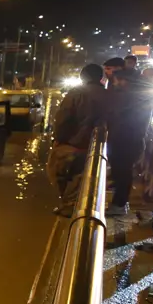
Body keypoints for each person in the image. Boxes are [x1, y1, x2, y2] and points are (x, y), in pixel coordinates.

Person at [47, 64, 108, 217]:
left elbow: (63, 119)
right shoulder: (108, 95)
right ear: (101, 78)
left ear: (82, 77)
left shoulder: (76, 93)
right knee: (83, 177)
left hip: (72, 144)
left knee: (59, 171)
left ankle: (69, 206)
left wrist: (58, 138)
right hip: (96, 146)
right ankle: (73, 205)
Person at [106, 65, 153, 216]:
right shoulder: (135, 96)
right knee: (121, 172)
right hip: (127, 140)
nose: (115, 84)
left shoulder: (131, 98)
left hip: (127, 141)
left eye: (117, 81)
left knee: (123, 172)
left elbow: (118, 116)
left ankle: (119, 204)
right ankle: (119, 202)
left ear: (125, 81)